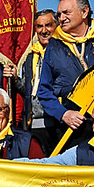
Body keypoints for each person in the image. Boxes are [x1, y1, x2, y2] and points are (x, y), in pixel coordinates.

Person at [37, 0, 94, 150]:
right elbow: (43, 91)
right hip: (73, 128)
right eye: (59, 14)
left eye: (66, 13)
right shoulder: (54, 47)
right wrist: (63, 114)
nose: (61, 18)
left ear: (84, 12)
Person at [15, 9, 58, 152]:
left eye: (49, 25)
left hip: (57, 122)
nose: (44, 30)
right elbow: (27, 89)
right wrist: (15, 79)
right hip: (33, 123)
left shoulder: (64, 53)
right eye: (40, 26)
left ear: (56, 26)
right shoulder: (30, 56)